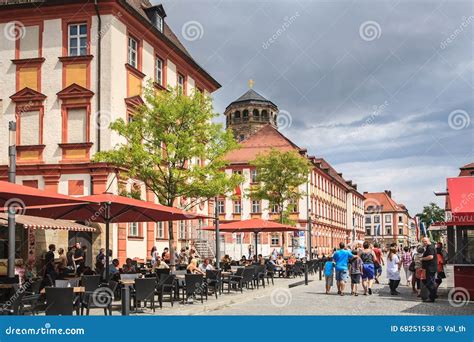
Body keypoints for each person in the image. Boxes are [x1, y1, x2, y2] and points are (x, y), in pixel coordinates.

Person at [420, 237, 438, 302]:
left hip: (430, 268)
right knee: (428, 282)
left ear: (428, 241)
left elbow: (431, 257)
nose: (424, 243)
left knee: (429, 283)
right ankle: (434, 294)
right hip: (430, 268)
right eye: (423, 241)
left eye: (425, 241)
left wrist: (422, 259)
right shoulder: (429, 247)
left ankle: (432, 297)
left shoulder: (430, 247)